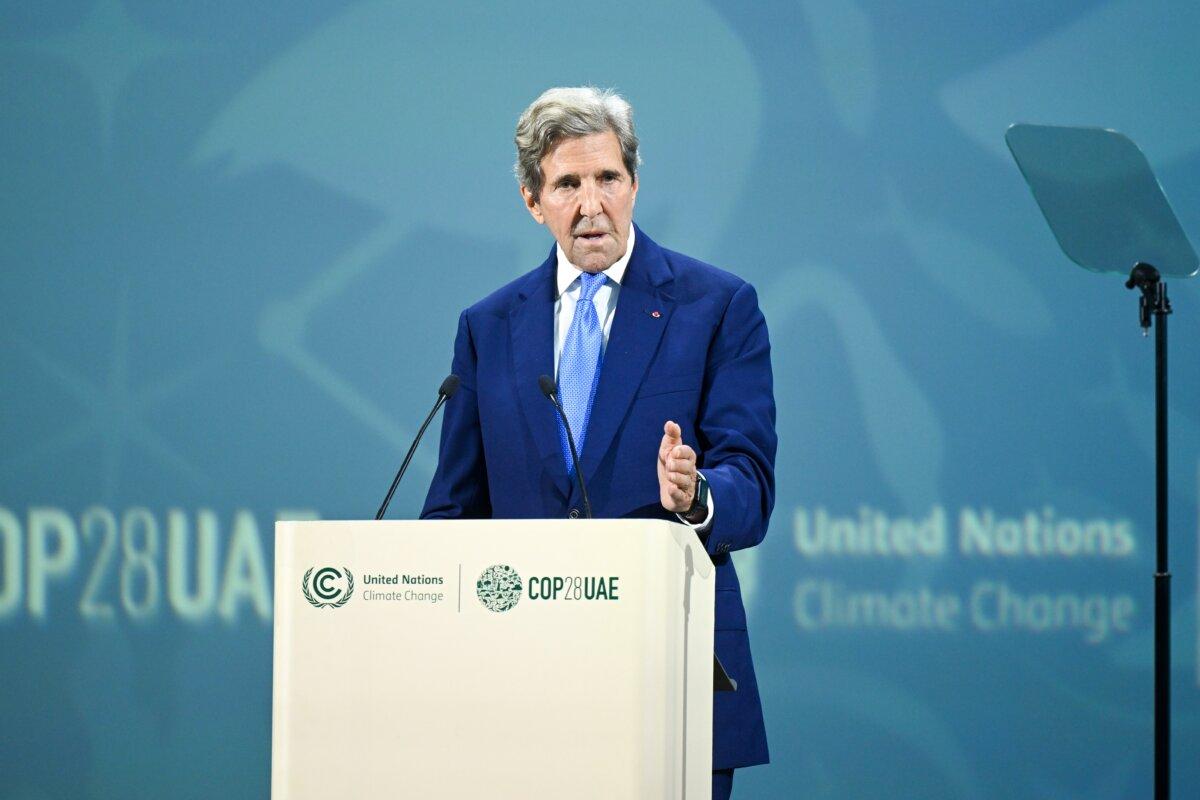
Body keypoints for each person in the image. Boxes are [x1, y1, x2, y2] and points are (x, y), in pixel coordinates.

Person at [421, 86, 776, 800]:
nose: (592, 205)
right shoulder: (489, 327)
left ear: (635, 183)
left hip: (670, 676)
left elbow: (751, 483)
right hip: (523, 687)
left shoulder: (716, 306)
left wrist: (697, 491)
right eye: (567, 184)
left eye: (608, 178)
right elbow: (453, 515)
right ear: (532, 199)